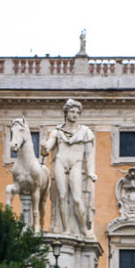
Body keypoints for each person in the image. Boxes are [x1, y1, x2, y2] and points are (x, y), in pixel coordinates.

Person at [41, 98, 96, 236]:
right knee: (62, 195)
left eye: (77, 112)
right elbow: (47, 149)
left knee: (77, 198)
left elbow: (89, 154)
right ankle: (65, 229)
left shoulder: (85, 132)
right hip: (60, 161)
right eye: (72, 111)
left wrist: (90, 172)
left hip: (76, 164)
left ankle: (84, 228)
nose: (75, 114)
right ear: (66, 113)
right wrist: (43, 147)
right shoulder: (57, 131)